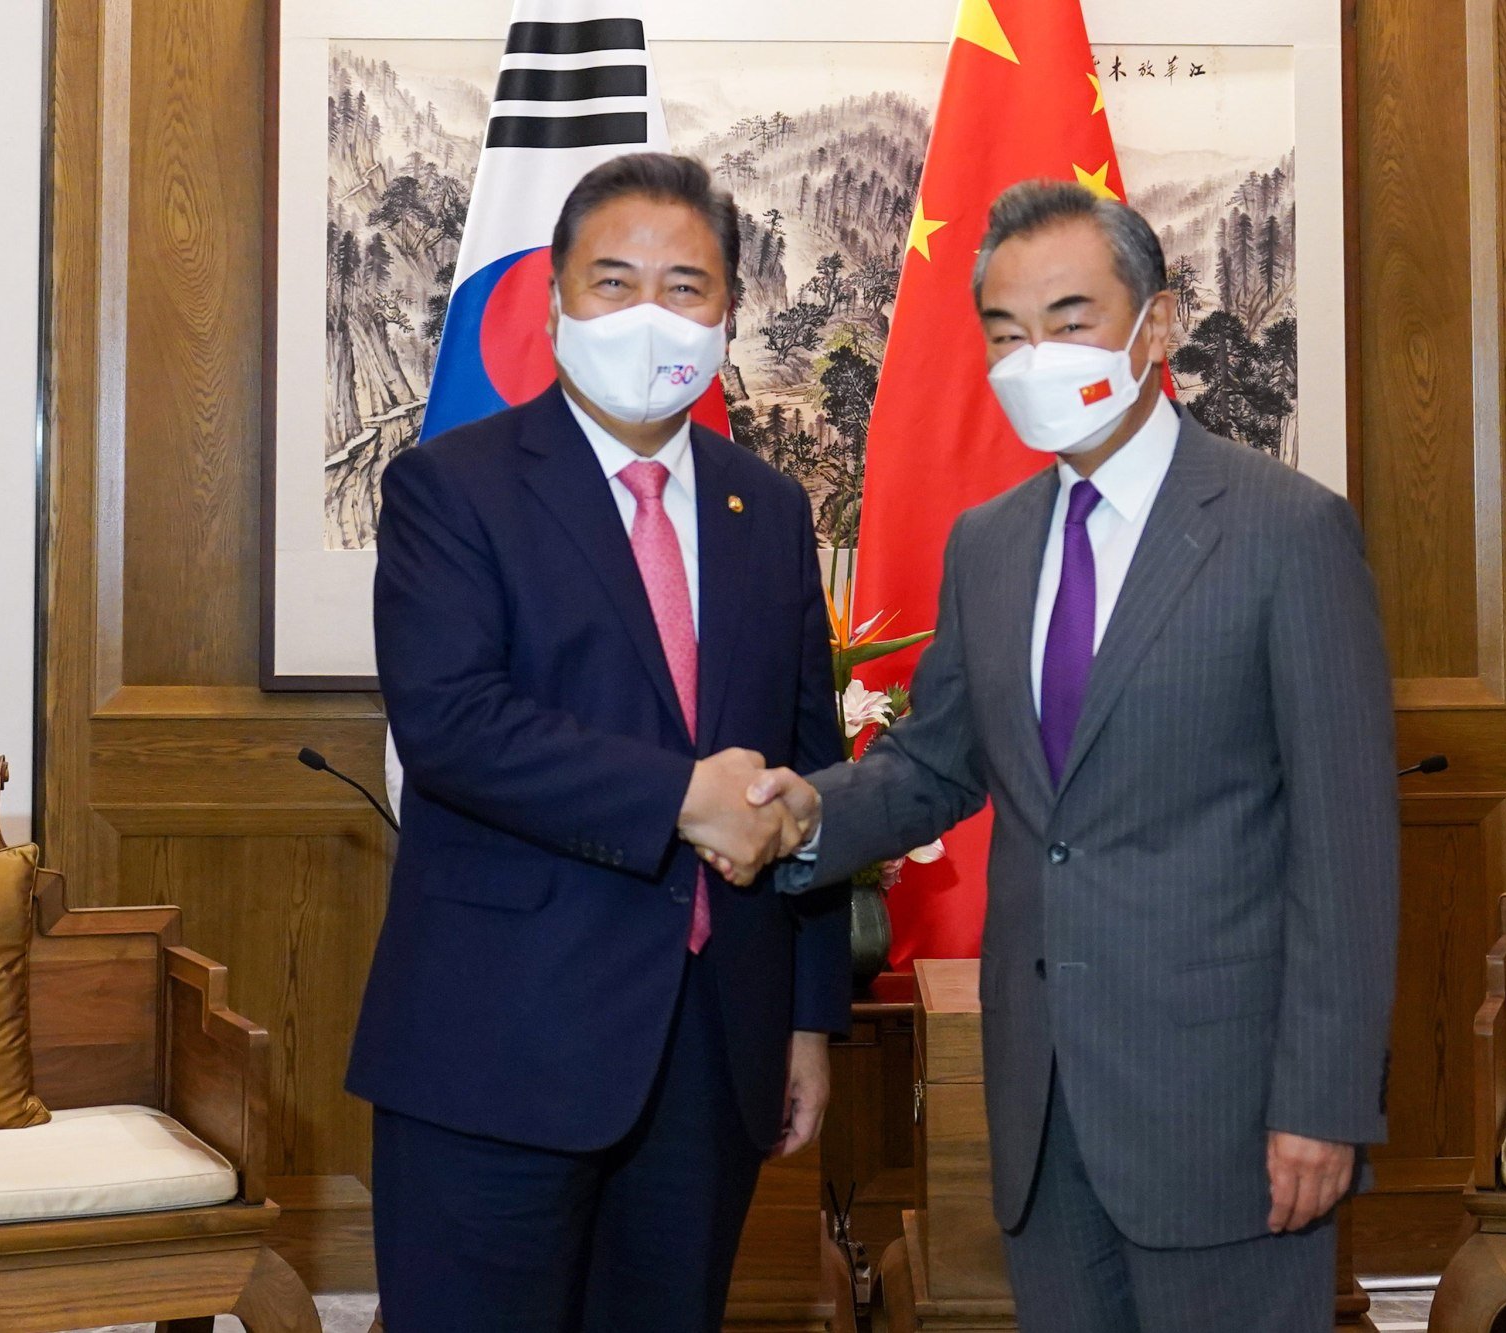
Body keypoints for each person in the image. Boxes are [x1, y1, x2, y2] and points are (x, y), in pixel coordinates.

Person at [745, 180, 1399, 1332]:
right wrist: (795, 817)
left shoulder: (1285, 530)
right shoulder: (989, 543)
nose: (1032, 356)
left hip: (1229, 1111)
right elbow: (937, 764)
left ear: (1154, 325)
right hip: (1042, 1104)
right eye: (1005, 332)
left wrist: (1324, 1103)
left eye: (1068, 319)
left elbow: (1345, 850)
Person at [349, 152, 847, 1333]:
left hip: (710, 1042)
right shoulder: (450, 488)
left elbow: (808, 768)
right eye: (612, 281)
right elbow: (453, 724)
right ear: (555, 300)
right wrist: (682, 794)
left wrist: (809, 1017)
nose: (647, 315)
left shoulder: (765, 506)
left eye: (685, 286)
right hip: (497, 1040)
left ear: (728, 311)